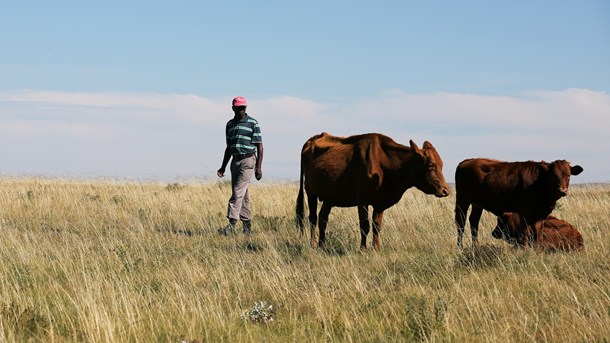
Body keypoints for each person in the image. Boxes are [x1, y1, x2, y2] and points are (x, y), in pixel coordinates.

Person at [217, 96, 263, 235]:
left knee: (237, 192)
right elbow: (229, 147)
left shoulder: (253, 123)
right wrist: (223, 166)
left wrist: (259, 167)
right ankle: (247, 227)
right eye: (238, 108)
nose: (241, 110)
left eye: (243, 108)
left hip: (248, 160)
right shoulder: (230, 124)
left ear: (246, 108)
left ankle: (231, 224)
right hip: (235, 161)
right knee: (243, 194)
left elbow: (259, 146)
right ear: (233, 108)